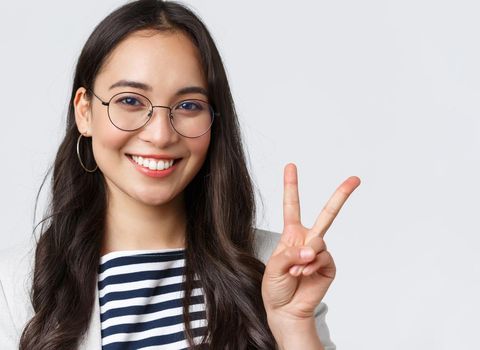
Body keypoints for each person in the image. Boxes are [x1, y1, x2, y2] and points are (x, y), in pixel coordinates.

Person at [0, 0, 360, 349]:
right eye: (130, 101)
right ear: (85, 112)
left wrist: (293, 324)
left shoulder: (271, 267)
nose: (160, 134)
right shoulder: (16, 285)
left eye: (188, 106)